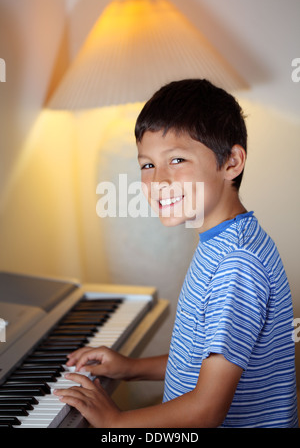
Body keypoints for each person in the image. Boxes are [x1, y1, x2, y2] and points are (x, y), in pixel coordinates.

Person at [54, 79, 298, 428]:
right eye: (148, 165)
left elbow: (207, 411)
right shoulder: (224, 241)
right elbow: (203, 361)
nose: (158, 181)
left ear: (231, 162)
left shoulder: (236, 264)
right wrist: (130, 367)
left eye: (177, 160)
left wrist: (116, 423)